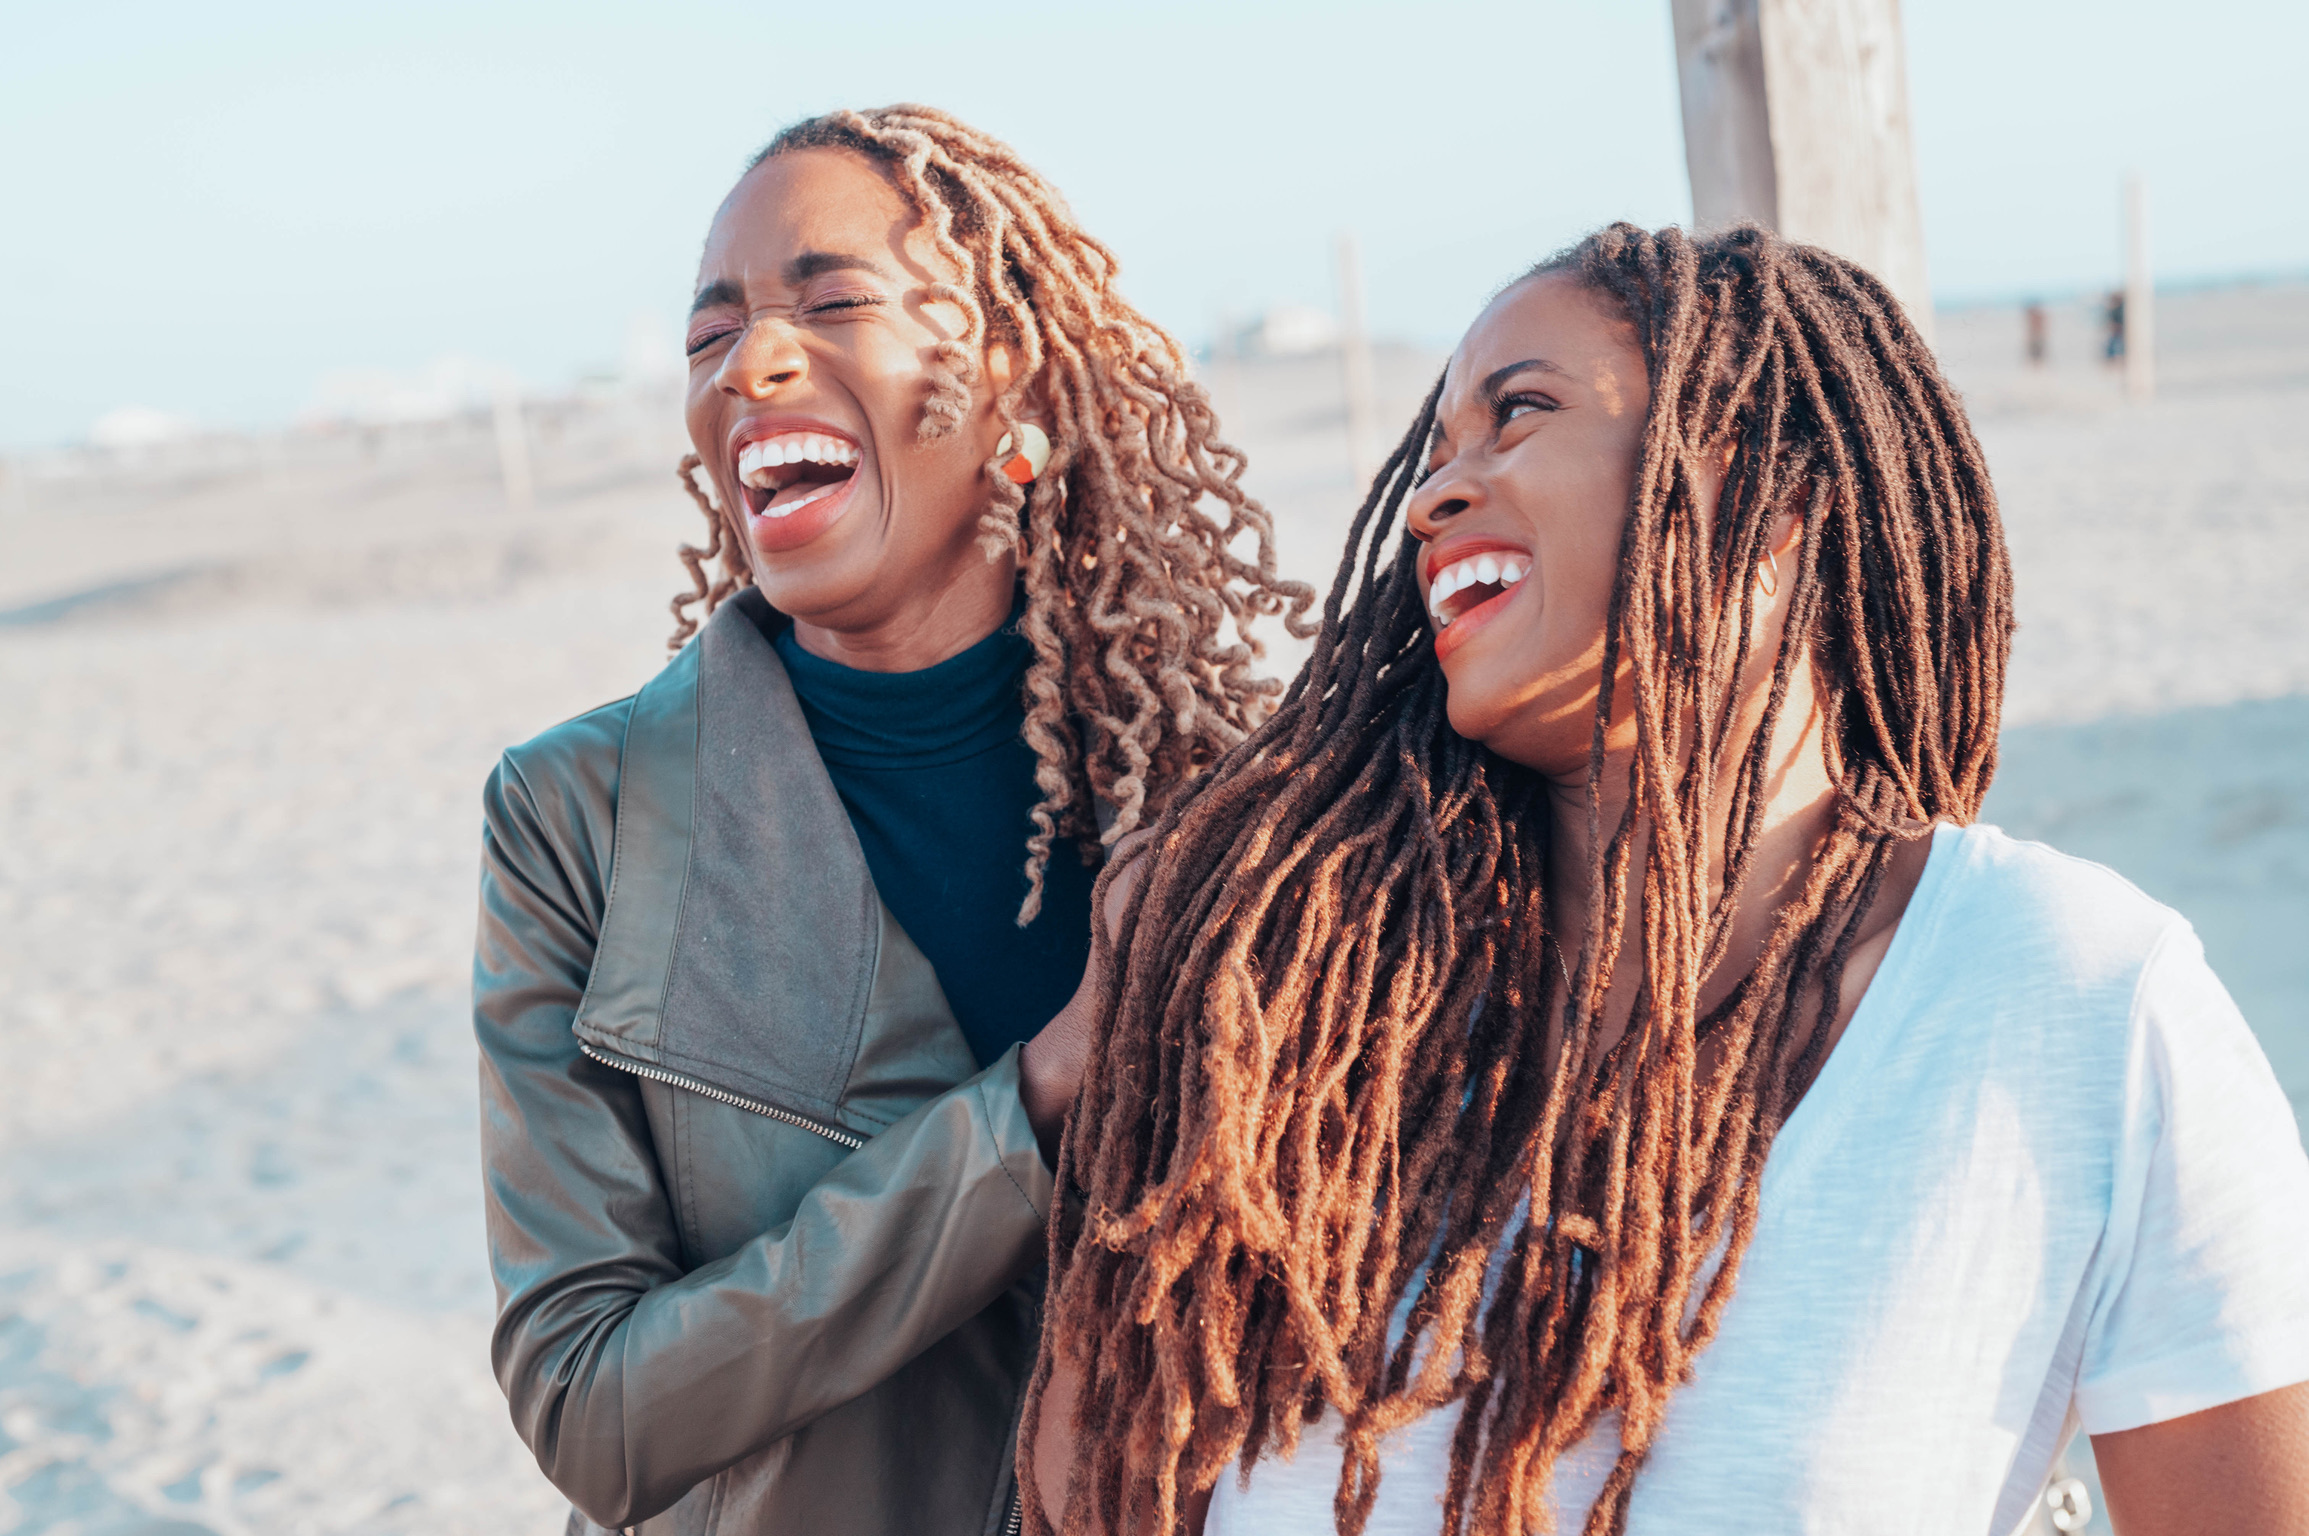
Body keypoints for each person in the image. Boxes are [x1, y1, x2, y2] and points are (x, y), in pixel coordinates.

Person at [1024, 224, 2309, 1535]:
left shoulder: (2069, 993)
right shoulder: (1304, 1012)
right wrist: (1158, 1023)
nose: (1431, 497)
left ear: (1778, 485)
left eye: (1516, 413)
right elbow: (1099, 1497)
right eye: (1434, 451)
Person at [472, 104, 1310, 1535]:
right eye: (710, 332)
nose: (752, 362)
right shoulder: (580, 817)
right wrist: (1035, 1101)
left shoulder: (1227, 813)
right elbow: (590, 1411)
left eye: (831, 299)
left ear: (1014, 381)